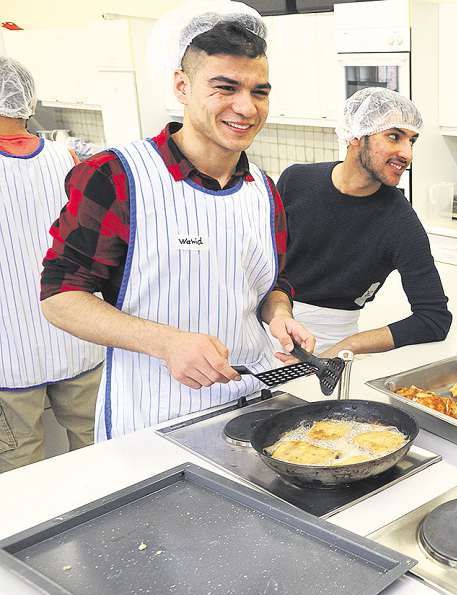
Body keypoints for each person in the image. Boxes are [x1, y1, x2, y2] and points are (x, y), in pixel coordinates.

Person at [39, 3, 313, 441]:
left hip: (254, 407)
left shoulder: (264, 189)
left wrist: (279, 314)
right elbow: (60, 297)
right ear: (181, 86)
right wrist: (167, 343)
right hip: (154, 418)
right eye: (225, 87)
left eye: (259, 92)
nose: (246, 107)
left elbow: (270, 284)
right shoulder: (116, 177)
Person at [277, 87, 451, 355]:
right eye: (394, 136)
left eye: (412, 141)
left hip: (329, 345)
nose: (407, 153)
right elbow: (265, 265)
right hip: (266, 325)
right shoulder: (296, 181)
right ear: (356, 135)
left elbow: (434, 319)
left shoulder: (400, 223)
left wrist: (349, 345)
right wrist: (278, 315)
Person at [0, 57, 104, 472]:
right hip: (79, 336)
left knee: (22, 472)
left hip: (9, 355)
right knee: (102, 453)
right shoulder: (70, 158)